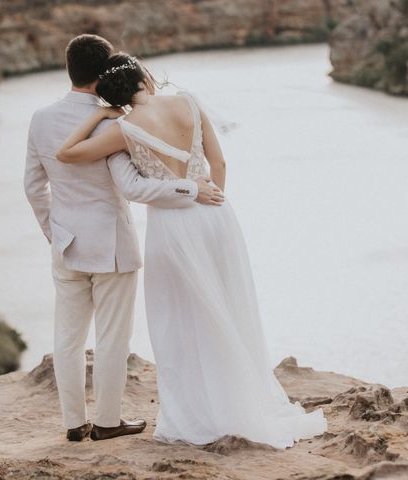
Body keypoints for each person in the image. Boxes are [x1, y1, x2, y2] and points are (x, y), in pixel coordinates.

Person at [55, 52, 327, 448]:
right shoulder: (190, 102)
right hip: (217, 216)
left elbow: (67, 153)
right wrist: (213, 207)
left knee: (178, 322)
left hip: (172, 226)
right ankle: (241, 402)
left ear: (115, 96)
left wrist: (99, 116)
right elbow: (219, 162)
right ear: (145, 76)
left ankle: (198, 414)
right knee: (228, 307)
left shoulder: (124, 129)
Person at [24, 35, 223, 443]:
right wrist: (191, 190)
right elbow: (133, 186)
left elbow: (33, 187)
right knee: (112, 336)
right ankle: (108, 422)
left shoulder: (40, 119)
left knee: (68, 338)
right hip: (112, 245)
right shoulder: (115, 123)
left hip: (65, 244)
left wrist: (54, 232)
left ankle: (73, 424)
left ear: (70, 70)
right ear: (103, 74)